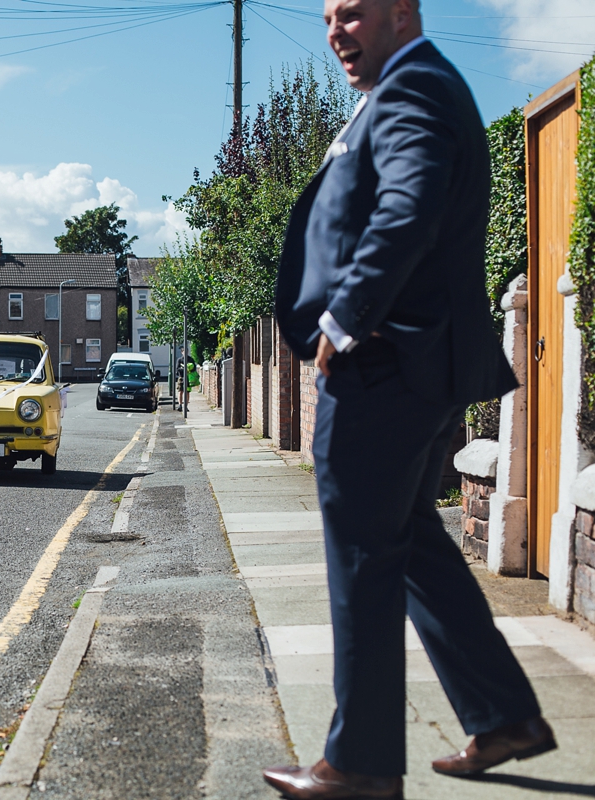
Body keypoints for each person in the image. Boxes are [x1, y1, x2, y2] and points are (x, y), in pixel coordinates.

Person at [267, 0, 552, 797]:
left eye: (353, 14)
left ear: (401, 12)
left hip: (383, 367)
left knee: (361, 557)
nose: (335, 32)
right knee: (410, 546)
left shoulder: (412, 89)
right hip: (412, 368)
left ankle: (358, 764)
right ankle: (503, 715)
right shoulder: (413, 86)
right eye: (328, 18)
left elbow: (410, 204)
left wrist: (345, 318)